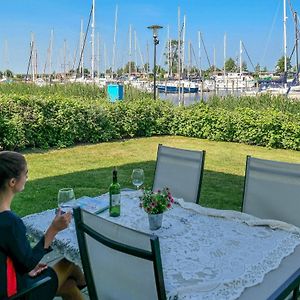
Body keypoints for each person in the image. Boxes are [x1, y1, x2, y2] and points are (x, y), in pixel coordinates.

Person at [0, 151, 86, 300]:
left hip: (11, 282)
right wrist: (54, 229)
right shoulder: (9, 223)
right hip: (19, 294)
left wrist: (27, 269)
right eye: (25, 173)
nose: (27, 177)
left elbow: (16, 259)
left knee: (68, 287)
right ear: (12, 182)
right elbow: (28, 262)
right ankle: (95, 288)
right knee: (70, 265)